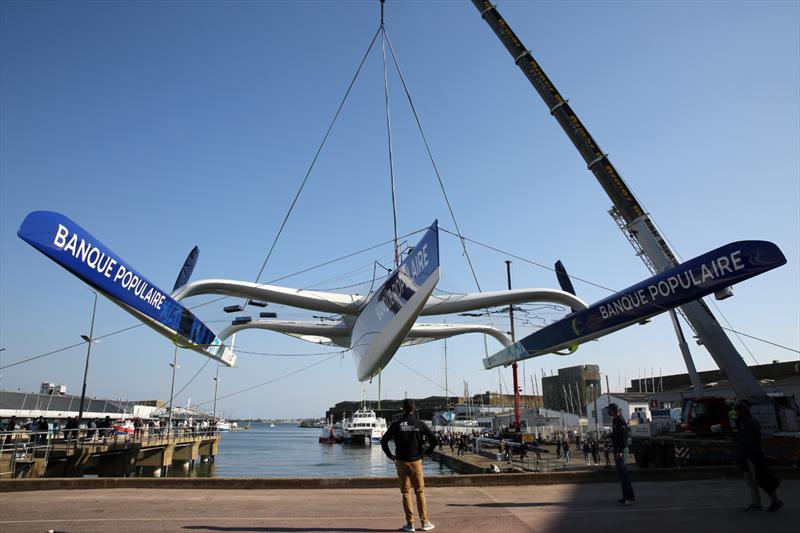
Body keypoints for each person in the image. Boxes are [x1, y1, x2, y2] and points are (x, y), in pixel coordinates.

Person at [380, 399, 438, 532]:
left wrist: (390, 456)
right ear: (414, 410)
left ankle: (410, 524)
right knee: (420, 492)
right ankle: (424, 522)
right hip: (416, 461)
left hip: (401, 462)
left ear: (403, 409)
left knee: (406, 492)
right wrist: (425, 454)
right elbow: (434, 440)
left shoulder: (396, 424)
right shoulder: (420, 424)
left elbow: (384, 441)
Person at [733, 402, 782, 512]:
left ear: (742, 413)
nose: (736, 415)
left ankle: (775, 500)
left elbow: (747, 441)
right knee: (751, 481)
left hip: (753, 456)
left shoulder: (750, 424)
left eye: (737, 412)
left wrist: (736, 438)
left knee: (760, 480)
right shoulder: (748, 423)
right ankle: (756, 503)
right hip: (748, 456)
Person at [608, 403, 635, 505]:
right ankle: (626, 497)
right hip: (618, 450)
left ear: (613, 410)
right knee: (621, 475)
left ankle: (629, 498)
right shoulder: (615, 420)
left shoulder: (620, 420)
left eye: (609, 410)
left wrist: (619, 451)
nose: (608, 412)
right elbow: (616, 435)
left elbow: (623, 437)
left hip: (621, 450)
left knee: (623, 475)